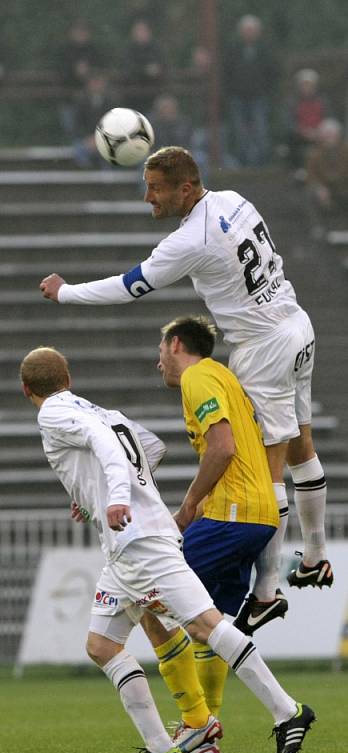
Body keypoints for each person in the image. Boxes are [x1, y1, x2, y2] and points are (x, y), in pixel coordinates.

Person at [39, 145, 334, 621]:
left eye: (155, 189)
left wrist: (66, 292)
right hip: (296, 323)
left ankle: (267, 593)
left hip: (263, 346)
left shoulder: (189, 241)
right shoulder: (235, 200)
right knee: (302, 443)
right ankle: (317, 557)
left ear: (186, 188)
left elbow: (129, 285)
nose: (147, 198)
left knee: (267, 465)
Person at [20, 345, 316, 753]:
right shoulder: (101, 410)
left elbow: (106, 447)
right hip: (125, 551)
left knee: (204, 624)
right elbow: (150, 448)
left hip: (140, 544)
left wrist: (118, 498)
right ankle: (164, 747)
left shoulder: (52, 414)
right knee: (102, 646)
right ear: (68, 378)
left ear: (26, 388)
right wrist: (98, 494)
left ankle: (288, 711)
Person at [141, 312, 286, 753]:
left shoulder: (198, 378)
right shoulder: (224, 375)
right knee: (211, 622)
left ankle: (196, 720)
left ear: (178, 344)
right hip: (259, 516)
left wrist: (187, 507)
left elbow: (222, 448)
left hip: (234, 515)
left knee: (151, 601)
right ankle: (209, 730)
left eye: (161, 350)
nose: (157, 361)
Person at [223, 14, 277, 167]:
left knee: (261, 129)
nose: (249, 33)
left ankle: (262, 161)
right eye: (246, 30)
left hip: (259, 96)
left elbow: (272, 72)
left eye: (252, 30)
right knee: (240, 131)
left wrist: (267, 90)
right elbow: (227, 72)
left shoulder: (265, 49)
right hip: (238, 96)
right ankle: (243, 161)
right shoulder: (233, 49)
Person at [305, 117, 348, 239]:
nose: (330, 138)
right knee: (310, 194)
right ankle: (318, 227)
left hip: (344, 187)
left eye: (332, 135)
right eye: (327, 135)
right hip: (326, 189)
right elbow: (311, 176)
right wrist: (319, 188)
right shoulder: (314, 154)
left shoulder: (346, 151)